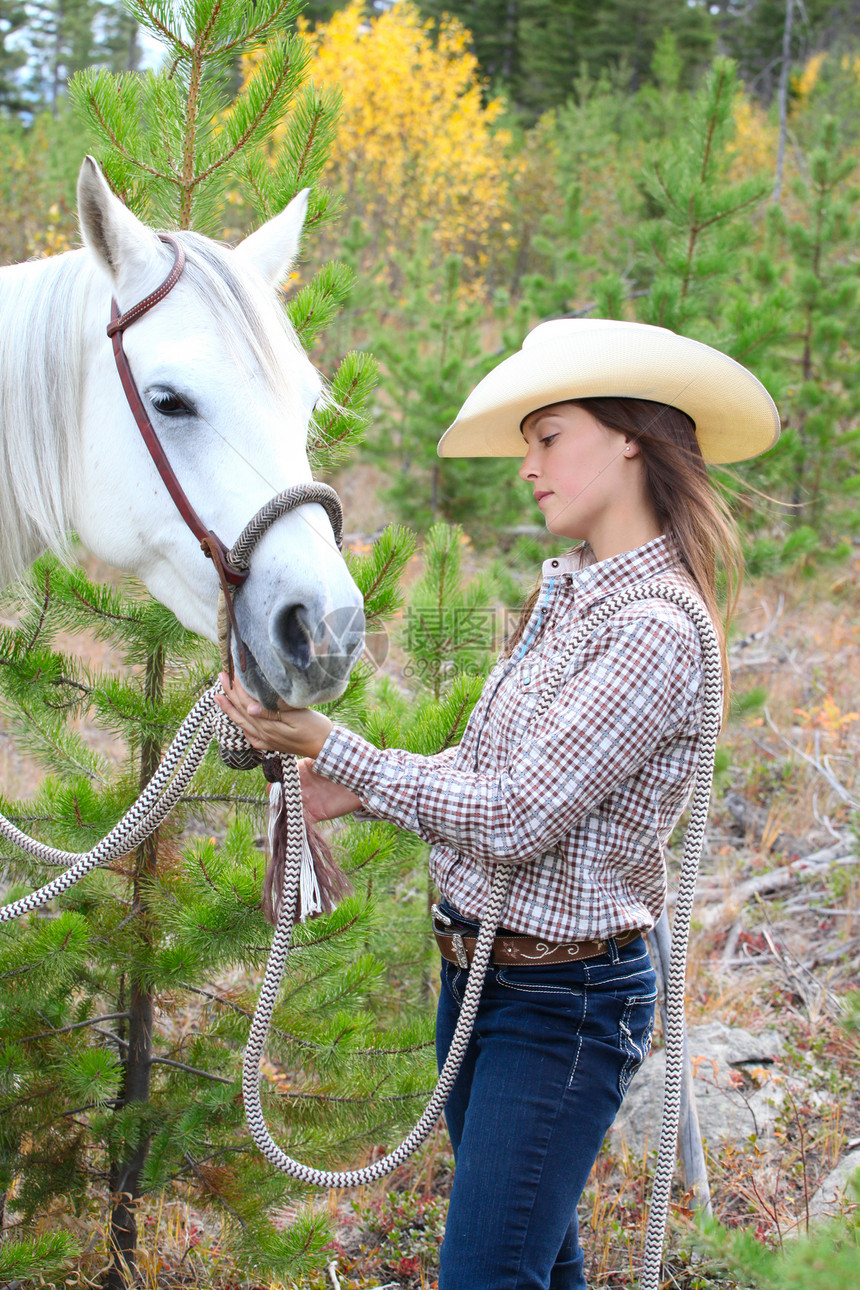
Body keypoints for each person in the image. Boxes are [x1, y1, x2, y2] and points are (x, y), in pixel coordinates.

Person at [216, 319, 779, 1290]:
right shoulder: (570, 594)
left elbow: (517, 814)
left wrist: (333, 745)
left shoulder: (652, 630)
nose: (527, 464)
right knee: (529, 1263)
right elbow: (488, 768)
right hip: (482, 980)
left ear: (630, 436)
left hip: (560, 1005)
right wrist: (336, 785)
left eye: (547, 435)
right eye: (525, 441)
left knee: (485, 1273)